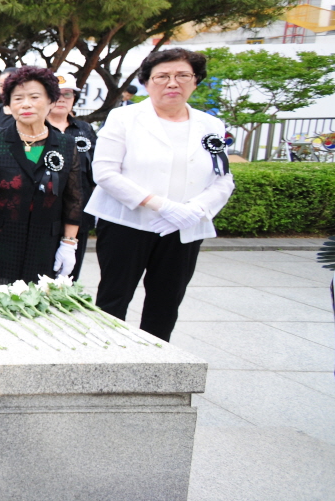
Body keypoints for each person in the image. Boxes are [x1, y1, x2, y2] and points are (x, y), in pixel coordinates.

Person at [86, 48, 235, 341]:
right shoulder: (124, 118)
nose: (172, 83)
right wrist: (162, 205)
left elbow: (223, 177)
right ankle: (104, 358)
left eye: (182, 76)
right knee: (114, 298)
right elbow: (104, 172)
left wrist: (196, 210)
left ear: (196, 81)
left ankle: (156, 363)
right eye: (162, 76)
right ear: (146, 82)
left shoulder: (211, 125)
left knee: (167, 300)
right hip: (127, 225)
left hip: (184, 226)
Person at [0, 66, 83, 286]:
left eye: (35, 97)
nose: (26, 104)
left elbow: (73, 198)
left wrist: (69, 243)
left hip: (45, 246)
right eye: (18, 98)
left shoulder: (66, 145)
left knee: (33, 313)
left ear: (51, 101)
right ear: (8, 105)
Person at [46, 73, 99, 281]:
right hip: (45, 213)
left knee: (69, 277)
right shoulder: (34, 128)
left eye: (68, 94)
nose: (62, 99)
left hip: (79, 215)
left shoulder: (84, 130)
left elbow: (94, 171)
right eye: (56, 94)